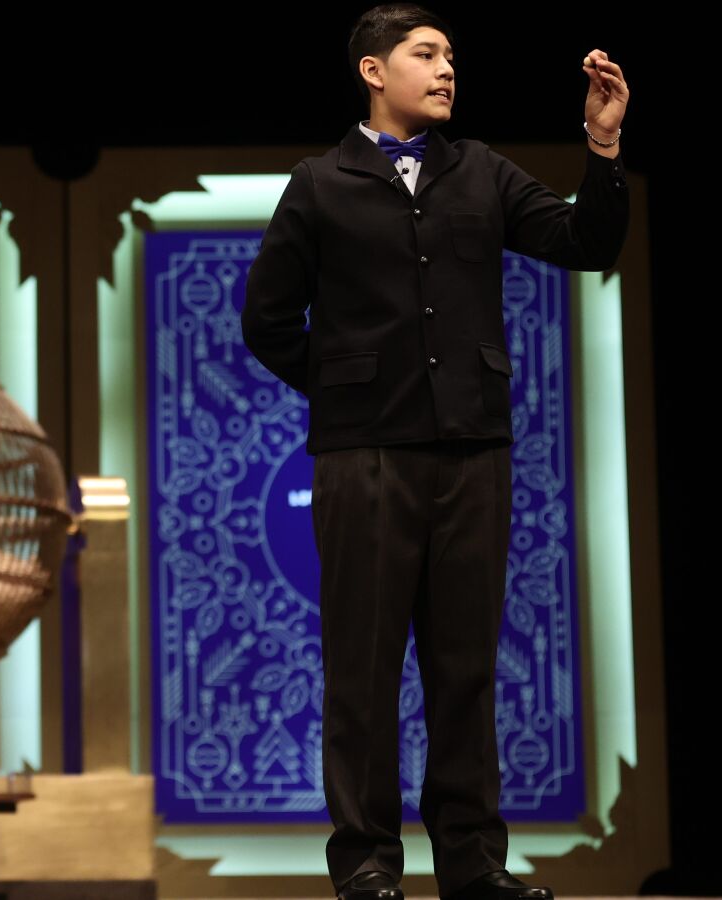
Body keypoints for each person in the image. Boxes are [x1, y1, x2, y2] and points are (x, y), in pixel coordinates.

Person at [241, 8, 628, 900]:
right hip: (365, 459)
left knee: (465, 669)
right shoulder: (321, 183)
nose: (448, 68)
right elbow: (266, 319)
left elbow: (588, 243)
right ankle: (368, 864)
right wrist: (346, 390)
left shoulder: (481, 171)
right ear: (374, 71)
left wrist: (603, 147)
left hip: (472, 453)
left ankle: (473, 864)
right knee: (363, 669)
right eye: (426, 54)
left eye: (451, 55)